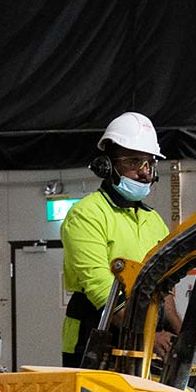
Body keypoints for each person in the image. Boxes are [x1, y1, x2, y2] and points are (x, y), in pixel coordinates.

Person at [59, 112, 183, 367]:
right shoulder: (86, 214)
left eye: (148, 163)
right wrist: (148, 336)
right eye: (133, 162)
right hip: (96, 335)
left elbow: (165, 288)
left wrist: (183, 333)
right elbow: (101, 289)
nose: (144, 172)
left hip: (145, 333)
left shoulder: (154, 220)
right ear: (107, 165)